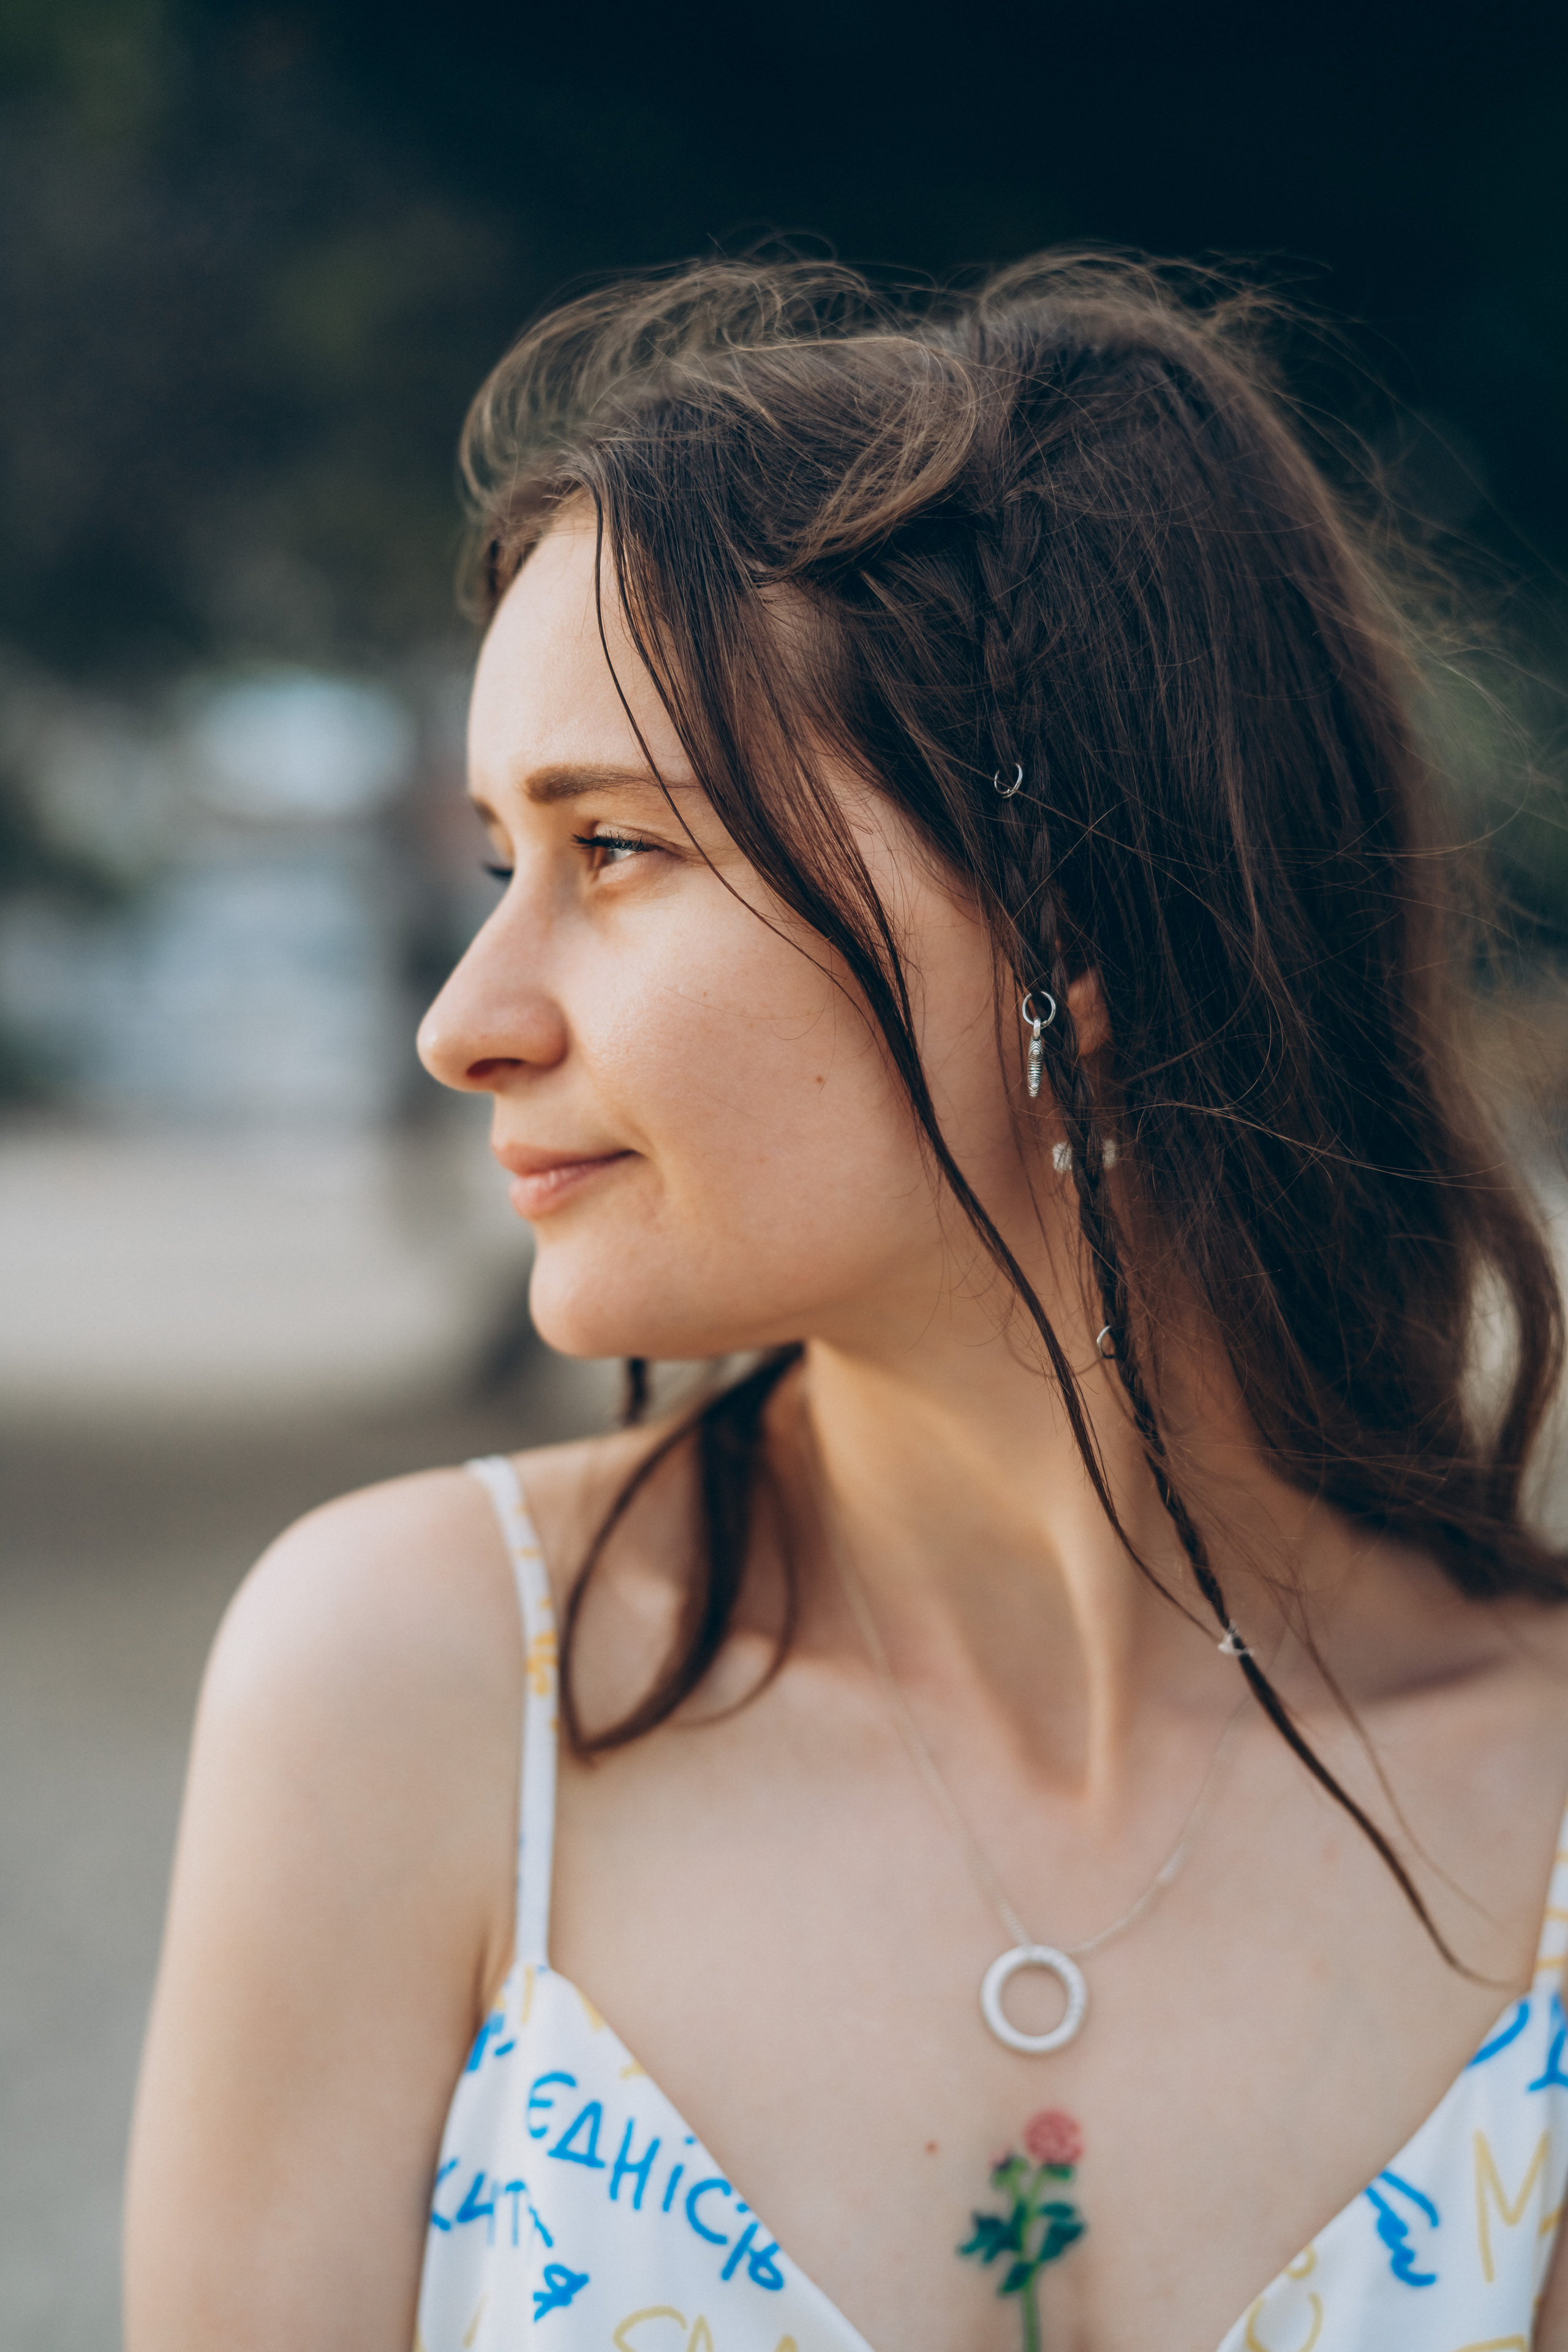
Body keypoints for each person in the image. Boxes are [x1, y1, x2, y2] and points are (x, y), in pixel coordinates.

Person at [124, 253, 1568, 2352]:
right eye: (492, 859)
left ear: (1063, 917)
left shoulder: (1538, 1826)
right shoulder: (422, 1699)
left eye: (612, 849)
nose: (467, 1021)